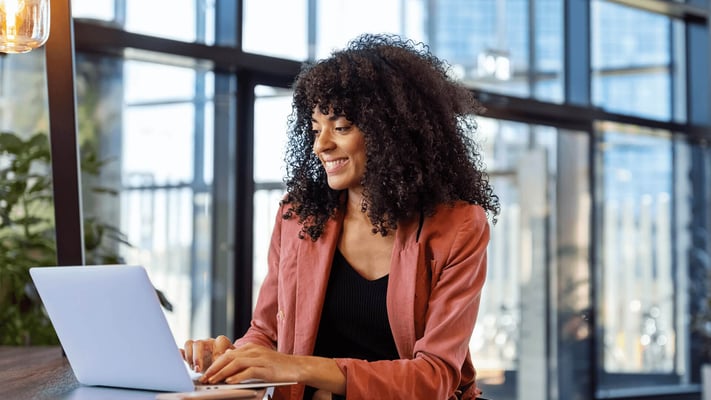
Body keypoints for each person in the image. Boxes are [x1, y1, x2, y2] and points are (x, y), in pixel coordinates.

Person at [182, 33, 499, 400]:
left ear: (391, 133)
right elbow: (266, 334)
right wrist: (227, 357)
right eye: (316, 129)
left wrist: (298, 366)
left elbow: (434, 377)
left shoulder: (458, 226)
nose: (321, 145)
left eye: (341, 127)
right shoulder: (298, 217)